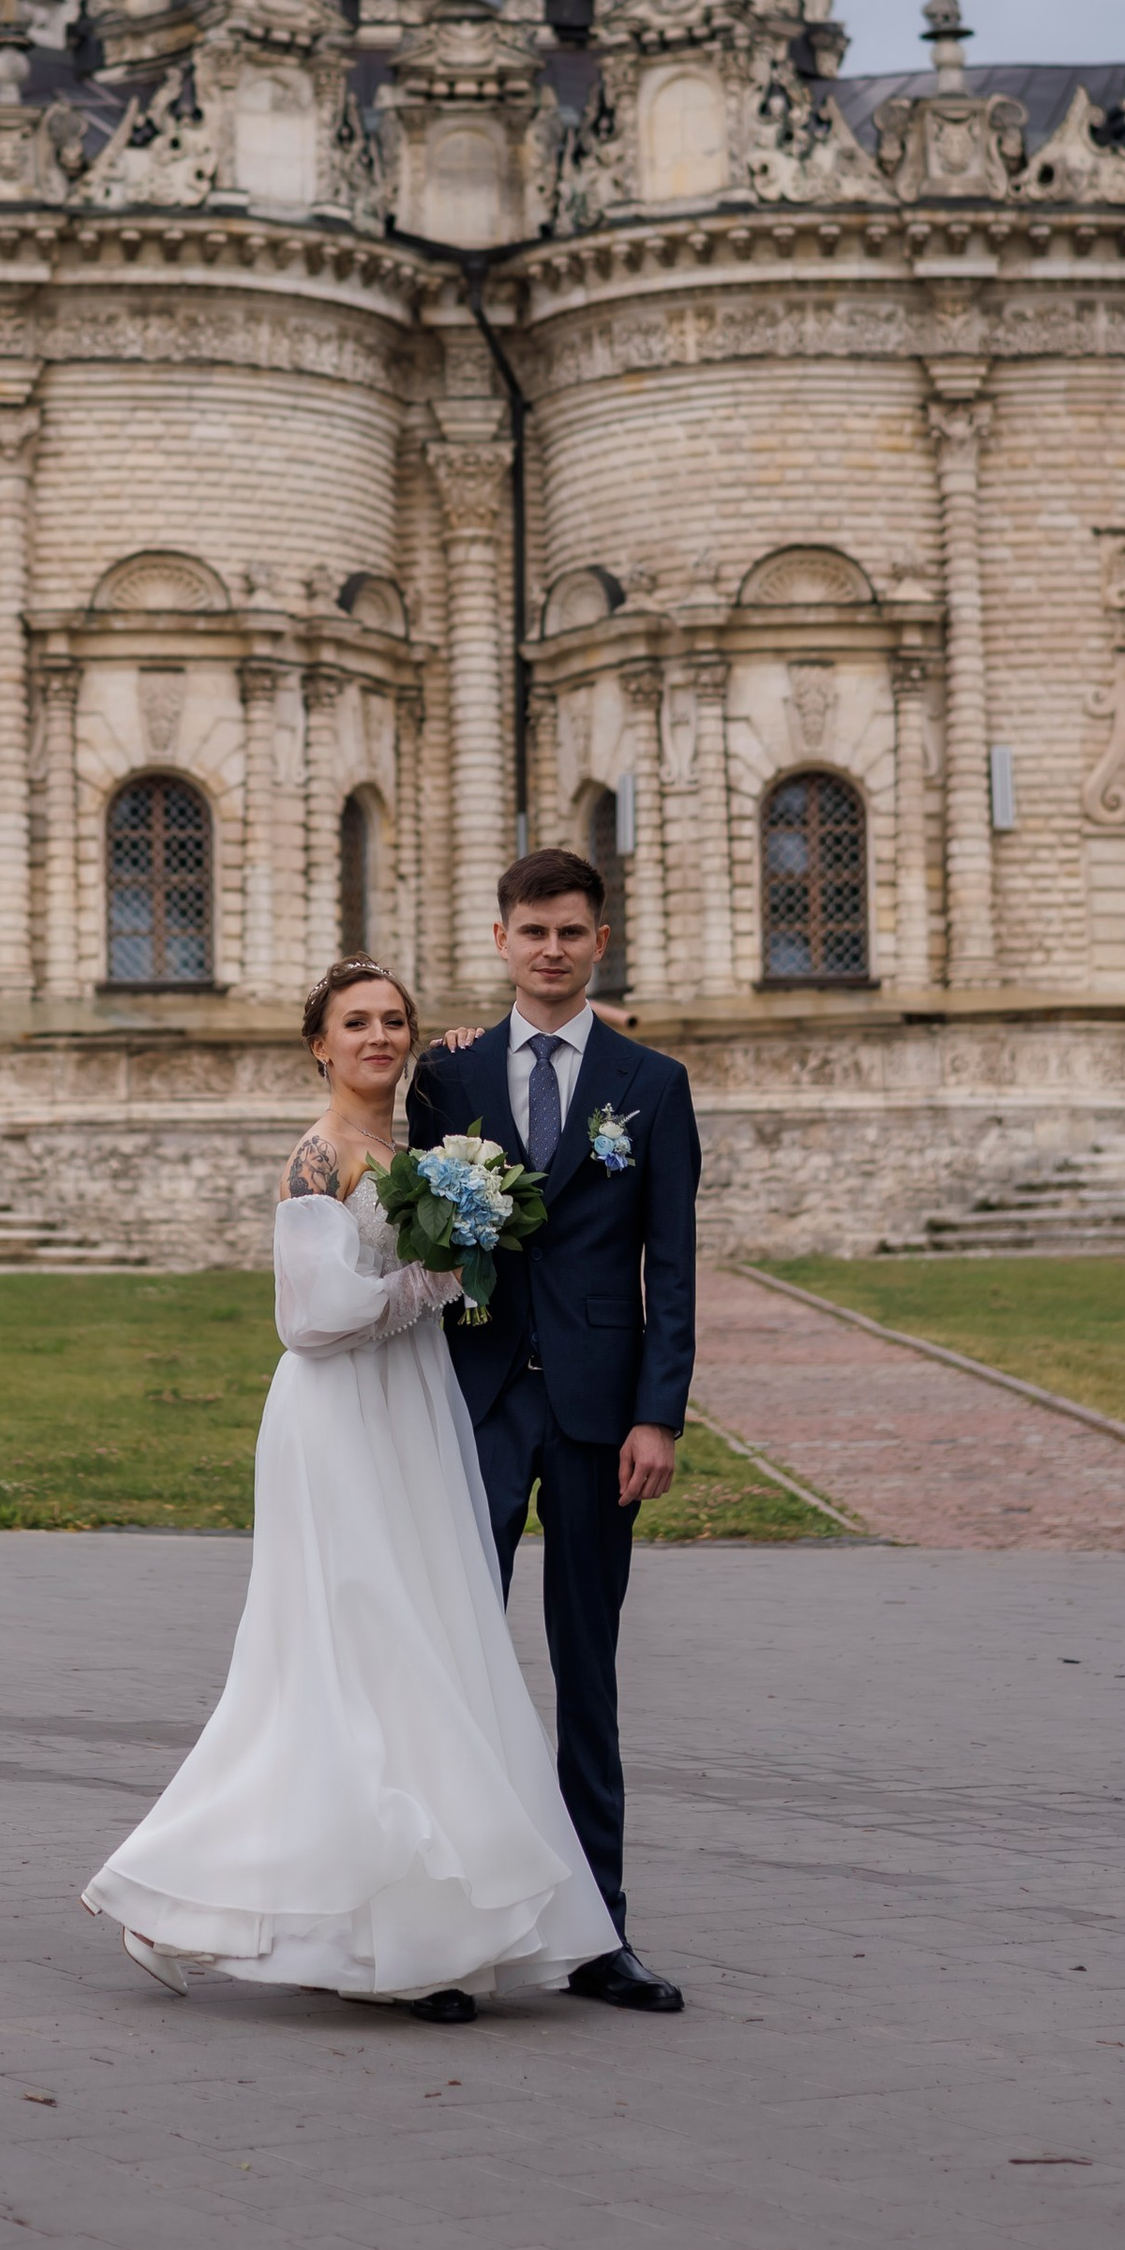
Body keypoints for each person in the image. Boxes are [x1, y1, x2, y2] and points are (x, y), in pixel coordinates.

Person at [83, 957, 615, 2021]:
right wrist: (424, 1281)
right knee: (349, 1655)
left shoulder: (417, 1150)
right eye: (356, 1022)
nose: (380, 1036)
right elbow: (308, 1319)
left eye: (395, 1020)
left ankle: (416, 1934)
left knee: (424, 1644)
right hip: (335, 1417)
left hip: (411, 1409)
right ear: (318, 1044)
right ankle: (186, 1895)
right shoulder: (317, 1158)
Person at [407, 844, 700, 2016]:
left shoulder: (652, 1082)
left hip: (597, 1415)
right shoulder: (449, 1077)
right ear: (500, 941)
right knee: (454, 1672)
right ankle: (445, 1935)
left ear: (600, 942)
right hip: (475, 1402)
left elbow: (669, 1268)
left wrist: (656, 1414)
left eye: (572, 931)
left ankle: (598, 1936)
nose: (552, 949)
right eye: (533, 931)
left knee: (590, 1672)